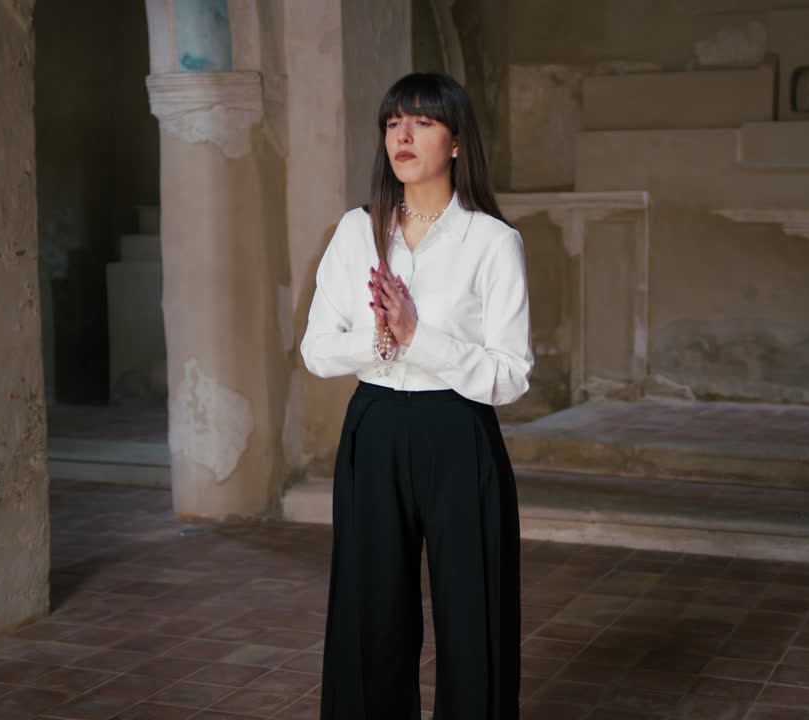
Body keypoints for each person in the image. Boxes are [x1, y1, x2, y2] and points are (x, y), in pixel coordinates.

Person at [300, 72, 533, 720]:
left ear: (457, 140)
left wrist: (417, 336)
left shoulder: (492, 242)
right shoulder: (356, 231)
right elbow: (318, 351)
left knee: (473, 611)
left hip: (458, 431)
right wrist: (380, 340)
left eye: (423, 121)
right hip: (373, 428)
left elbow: (511, 375)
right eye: (393, 121)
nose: (403, 134)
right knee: (368, 613)